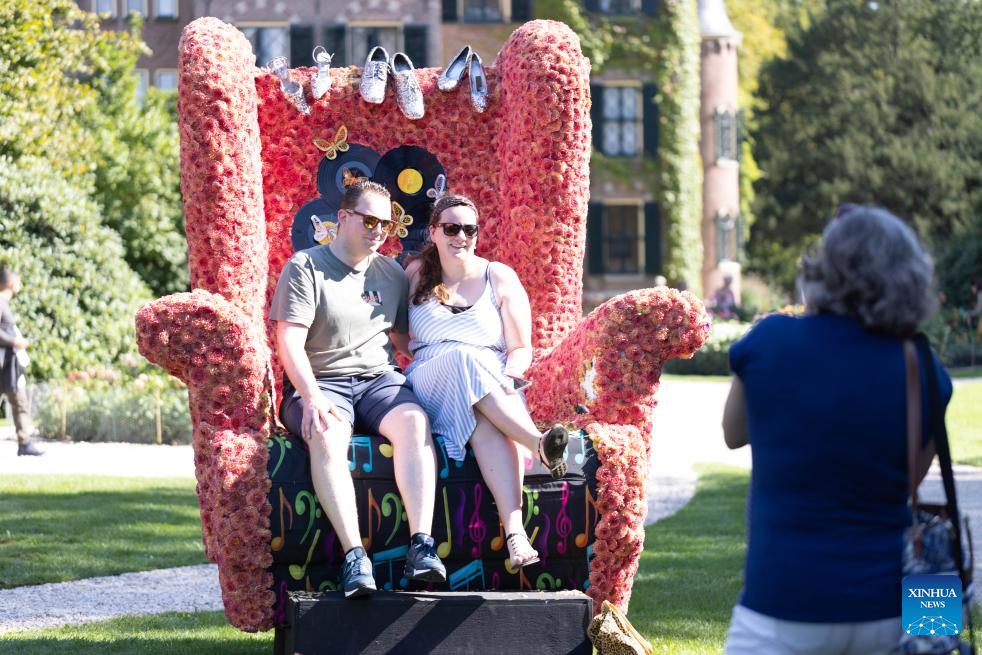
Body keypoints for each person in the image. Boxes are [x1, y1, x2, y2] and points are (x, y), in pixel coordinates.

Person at [721, 206, 952, 655]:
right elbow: (911, 483)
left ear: (824, 268)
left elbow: (733, 434)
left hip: (780, 603)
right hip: (895, 610)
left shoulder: (768, 342)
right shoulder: (921, 363)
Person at [270, 180, 445, 598]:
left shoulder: (391, 275)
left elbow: (404, 343)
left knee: (415, 423)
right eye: (368, 220)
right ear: (343, 218)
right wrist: (310, 396)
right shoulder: (305, 267)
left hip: (378, 380)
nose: (378, 230)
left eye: (385, 223)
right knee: (327, 435)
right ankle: (355, 557)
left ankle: (422, 547)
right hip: (321, 381)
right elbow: (288, 341)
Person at [404, 194, 568, 569]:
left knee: (483, 420)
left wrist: (510, 377)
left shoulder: (499, 276)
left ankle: (515, 533)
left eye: (469, 229)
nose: (461, 236)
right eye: (451, 228)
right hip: (432, 376)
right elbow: (399, 337)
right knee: (463, 357)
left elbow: (521, 347)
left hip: (493, 380)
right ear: (433, 232)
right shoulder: (414, 275)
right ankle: (536, 443)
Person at [0, 268, 43, 457]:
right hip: (4, 363)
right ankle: (24, 443)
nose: (20, 286)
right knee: (19, 401)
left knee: (19, 401)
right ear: (11, 282)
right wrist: (14, 341)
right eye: (18, 281)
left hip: (9, 363)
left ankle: (25, 443)